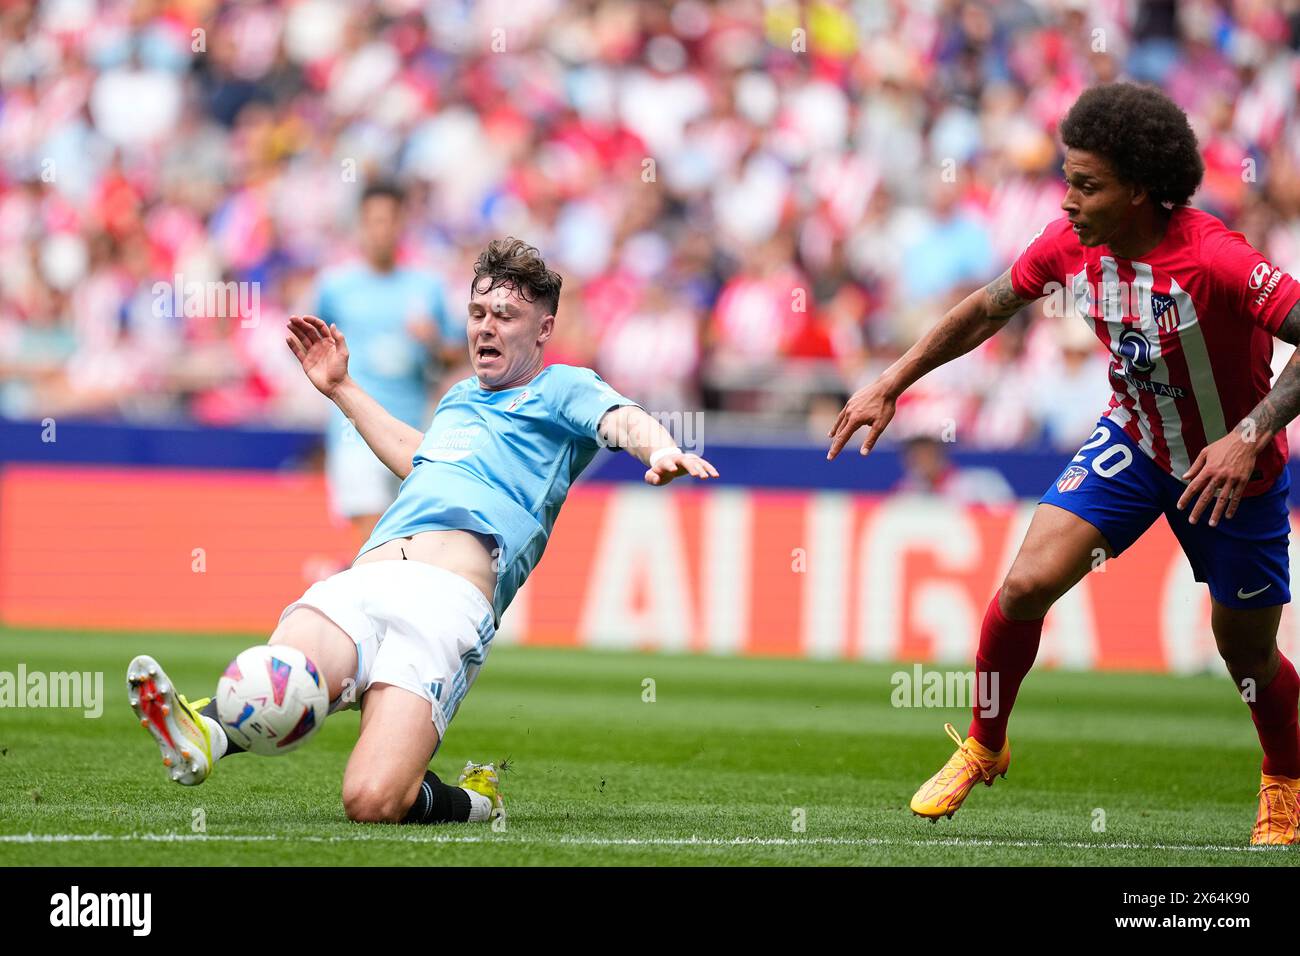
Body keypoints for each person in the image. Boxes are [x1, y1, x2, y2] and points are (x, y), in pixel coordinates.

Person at [827, 83, 1300, 845]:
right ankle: (985, 743)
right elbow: (986, 309)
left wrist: (1250, 432)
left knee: (1244, 651)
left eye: (1087, 185)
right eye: (1067, 179)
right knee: (1024, 585)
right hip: (1138, 442)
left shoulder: (1215, 257)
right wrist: (892, 379)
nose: (1068, 200)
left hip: (1230, 473)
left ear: (1141, 191)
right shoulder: (1067, 244)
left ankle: (1284, 777)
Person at [128, 238, 718, 825]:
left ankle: (475, 802)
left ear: (543, 329)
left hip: (446, 603)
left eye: (505, 317)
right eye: (477, 313)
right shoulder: (460, 398)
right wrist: (339, 388)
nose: (485, 328)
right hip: (370, 575)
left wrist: (661, 446)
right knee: (286, 672)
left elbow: (622, 418)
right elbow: (422, 460)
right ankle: (207, 733)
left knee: (372, 801)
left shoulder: (561, 388)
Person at [316, 181, 459, 545]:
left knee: (407, 543)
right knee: (374, 539)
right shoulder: (335, 287)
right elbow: (315, 350)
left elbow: (455, 356)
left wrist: (432, 342)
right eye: (373, 221)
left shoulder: (427, 286)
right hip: (355, 432)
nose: (381, 230)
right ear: (362, 225)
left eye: (389, 221)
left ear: (401, 225)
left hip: (411, 433)